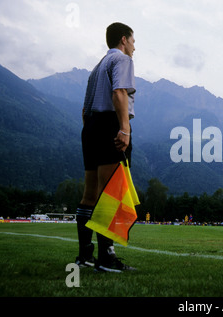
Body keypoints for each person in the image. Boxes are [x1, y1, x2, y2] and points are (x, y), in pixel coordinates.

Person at [75, 22, 137, 272]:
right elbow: (119, 92)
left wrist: (91, 131)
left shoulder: (96, 67)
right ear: (123, 40)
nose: (134, 46)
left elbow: (84, 109)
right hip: (109, 124)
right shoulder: (122, 60)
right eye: (133, 41)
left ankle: (85, 256)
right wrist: (124, 128)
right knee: (109, 192)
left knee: (90, 194)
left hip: (90, 127)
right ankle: (106, 258)